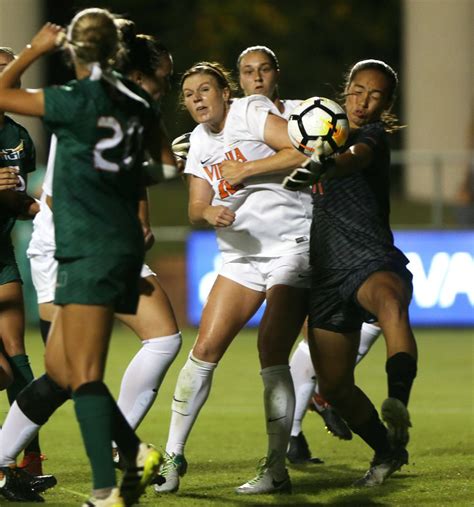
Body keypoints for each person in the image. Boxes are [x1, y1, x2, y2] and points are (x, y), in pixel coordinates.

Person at [0, 20, 181, 504]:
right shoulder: (139, 105)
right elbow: (166, 167)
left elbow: (1, 93)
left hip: (84, 248)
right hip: (110, 246)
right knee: (65, 369)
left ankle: (114, 480)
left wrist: (33, 50)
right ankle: (125, 458)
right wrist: (118, 173)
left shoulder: (72, 98)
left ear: (73, 52)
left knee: (80, 371)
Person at [155, 61, 311, 496]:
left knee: (270, 352)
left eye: (205, 89)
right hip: (240, 257)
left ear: (226, 92)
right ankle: (172, 455)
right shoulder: (200, 143)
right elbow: (194, 208)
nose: (197, 98)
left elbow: (303, 149)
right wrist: (209, 212)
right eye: (188, 95)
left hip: (290, 248)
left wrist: (245, 171)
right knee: (203, 349)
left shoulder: (251, 113)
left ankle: (276, 468)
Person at [237, 45, 382, 463]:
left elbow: (323, 140)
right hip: (279, 244)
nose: (257, 78)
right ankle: (296, 430)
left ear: (276, 72)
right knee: (288, 343)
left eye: (264, 69)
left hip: (320, 232)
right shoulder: (236, 120)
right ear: (240, 79)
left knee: (357, 327)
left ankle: (316, 402)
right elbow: (217, 154)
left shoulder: (306, 111)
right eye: (248, 72)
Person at [287, 59, 417, 486]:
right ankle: (386, 449)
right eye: (357, 90)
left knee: (390, 304)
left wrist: (327, 163)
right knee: (336, 387)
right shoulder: (317, 129)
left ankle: (398, 401)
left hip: (369, 259)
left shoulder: (372, 137)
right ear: (344, 91)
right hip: (326, 273)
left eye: (375, 95)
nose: (363, 101)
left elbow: (354, 159)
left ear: (387, 104)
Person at [0, 46, 46, 477]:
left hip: (0, 256)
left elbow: (16, 201)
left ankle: (28, 456)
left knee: (16, 357)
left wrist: (46, 211)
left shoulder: (18, 138)